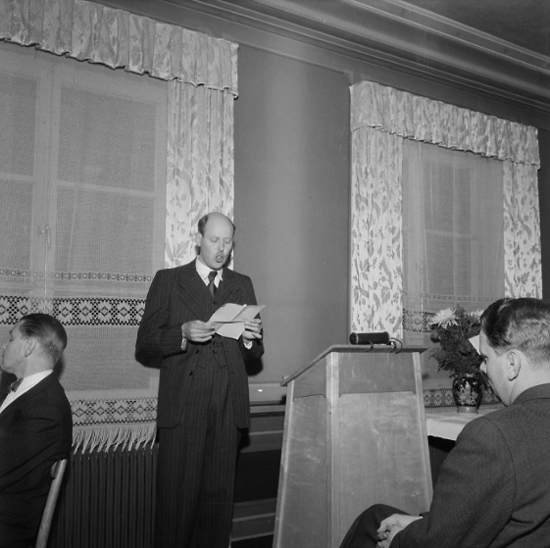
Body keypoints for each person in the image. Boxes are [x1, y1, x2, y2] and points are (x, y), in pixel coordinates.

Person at [340, 297, 550, 548]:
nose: (483, 369)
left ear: (512, 364)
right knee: (378, 515)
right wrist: (420, 523)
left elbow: (439, 543)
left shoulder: (491, 436)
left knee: (372, 523)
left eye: (485, 358)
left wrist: (398, 540)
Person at [136, 212, 264, 548]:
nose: (221, 249)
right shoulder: (169, 280)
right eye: (214, 240)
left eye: (227, 242)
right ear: (199, 239)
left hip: (227, 408)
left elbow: (255, 351)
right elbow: (145, 342)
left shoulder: (242, 284)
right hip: (184, 408)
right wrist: (181, 331)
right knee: (176, 511)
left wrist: (249, 338)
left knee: (217, 512)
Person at [0, 313, 72, 548]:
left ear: (29, 346)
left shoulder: (47, 407)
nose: (4, 345)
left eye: (11, 338)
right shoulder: (16, 388)